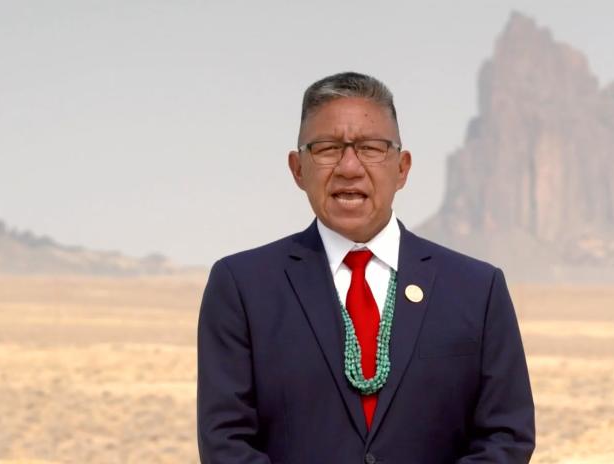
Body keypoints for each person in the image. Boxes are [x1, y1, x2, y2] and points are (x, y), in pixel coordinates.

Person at [197, 71, 535, 463]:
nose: (349, 167)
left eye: (371, 148)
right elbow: (226, 442)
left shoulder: (476, 289)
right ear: (298, 169)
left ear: (403, 168)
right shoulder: (243, 287)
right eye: (326, 148)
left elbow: (506, 435)